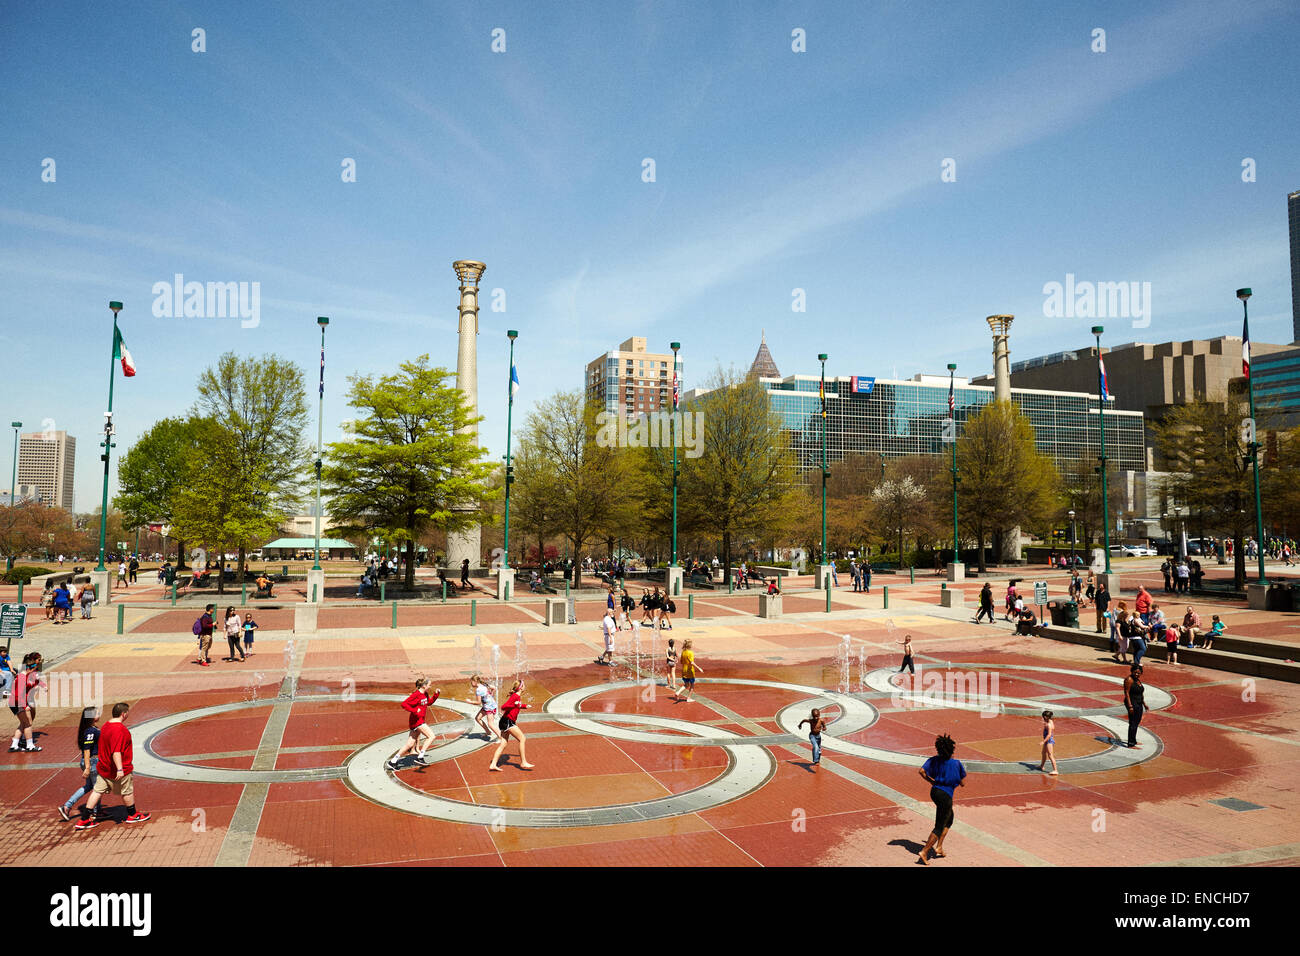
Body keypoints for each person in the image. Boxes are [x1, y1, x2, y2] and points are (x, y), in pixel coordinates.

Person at [76, 702, 149, 829]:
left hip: (104, 768)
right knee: (127, 791)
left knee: (97, 791)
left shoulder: (105, 726)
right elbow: (116, 751)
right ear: (124, 714)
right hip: (119, 769)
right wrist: (120, 769)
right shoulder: (120, 729)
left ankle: (84, 819)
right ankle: (132, 814)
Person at [917, 733, 966, 864]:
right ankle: (925, 851)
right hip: (946, 795)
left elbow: (921, 771)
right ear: (952, 750)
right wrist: (960, 782)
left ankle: (939, 847)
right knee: (939, 826)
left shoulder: (934, 760)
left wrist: (931, 781)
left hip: (935, 792)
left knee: (949, 819)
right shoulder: (956, 763)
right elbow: (961, 781)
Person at [386, 678, 441, 770]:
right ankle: (420, 757)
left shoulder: (425, 694)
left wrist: (436, 695)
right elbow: (404, 704)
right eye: (429, 685)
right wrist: (415, 710)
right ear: (424, 686)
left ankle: (393, 762)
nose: (430, 686)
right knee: (431, 736)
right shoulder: (416, 695)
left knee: (409, 744)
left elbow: (429, 703)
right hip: (417, 721)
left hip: (418, 721)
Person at [58, 707, 101, 821]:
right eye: (97, 713)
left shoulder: (89, 729)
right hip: (92, 762)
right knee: (98, 788)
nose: (99, 714)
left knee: (89, 786)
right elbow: (87, 750)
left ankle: (67, 806)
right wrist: (88, 767)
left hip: (90, 761)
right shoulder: (91, 731)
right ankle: (94, 813)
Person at [488, 679, 534, 771]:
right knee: (522, 739)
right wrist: (514, 705)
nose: (525, 686)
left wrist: (524, 706)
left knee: (503, 744)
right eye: (523, 685)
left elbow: (517, 705)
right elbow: (503, 707)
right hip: (508, 721)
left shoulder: (517, 696)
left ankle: (493, 764)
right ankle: (523, 762)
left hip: (505, 721)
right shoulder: (515, 696)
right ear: (521, 688)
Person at [8, 652, 45, 752]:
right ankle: (30, 745)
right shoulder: (22, 677)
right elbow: (18, 695)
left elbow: (35, 681)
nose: (36, 670)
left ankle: (14, 745)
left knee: (23, 723)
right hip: (18, 703)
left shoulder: (26, 675)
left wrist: (43, 685)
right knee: (28, 723)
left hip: (16, 702)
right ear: (30, 667)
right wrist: (24, 707)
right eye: (34, 667)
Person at [469, 675, 501, 741]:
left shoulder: (478, 690)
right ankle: (488, 732)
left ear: (475, 681)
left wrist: (470, 702)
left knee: (490, 724)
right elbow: (494, 688)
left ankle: (501, 738)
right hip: (489, 705)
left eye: (471, 682)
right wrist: (491, 694)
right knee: (478, 718)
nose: (471, 684)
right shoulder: (484, 685)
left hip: (489, 707)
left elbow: (478, 702)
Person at [671, 639, 703, 703]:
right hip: (690, 671)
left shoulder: (683, 652)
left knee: (686, 685)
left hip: (684, 671)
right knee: (692, 685)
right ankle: (688, 698)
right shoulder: (690, 652)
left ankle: (678, 692)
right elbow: (692, 662)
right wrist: (699, 668)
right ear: (690, 645)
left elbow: (681, 662)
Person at [1123, 665, 1146, 749]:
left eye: (1138, 673)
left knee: (1136, 722)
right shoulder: (1129, 680)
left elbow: (1140, 693)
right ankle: (1131, 743)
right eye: (1135, 672)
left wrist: (1144, 703)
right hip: (1132, 703)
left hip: (1139, 703)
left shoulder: (1138, 680)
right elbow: (1127, 693)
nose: (1136, 674)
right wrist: (1130, 706)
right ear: (1131, 671)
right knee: (1133, 723)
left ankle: (1133, 740)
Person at [1038, 710, 1058, 775]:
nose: (1042, 718)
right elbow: (1054, 728)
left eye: (1043, 716)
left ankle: (1055, 770)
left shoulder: (1048, 724)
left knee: (1050, 755)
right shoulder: (1050, 721)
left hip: (1048, 741)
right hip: (1047, 740)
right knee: (1043, 753)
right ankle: (1041, 766)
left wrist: (1043, 742)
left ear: (1046, 717)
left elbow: (1049, 735)